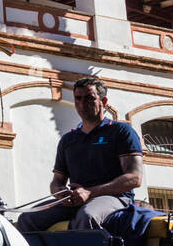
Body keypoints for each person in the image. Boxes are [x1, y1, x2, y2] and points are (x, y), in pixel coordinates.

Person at [16, 75, 143, 232]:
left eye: (89, 98)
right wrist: (60, 193)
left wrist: (90, 192)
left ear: (103, 102)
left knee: (87, 216)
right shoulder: (68, 140)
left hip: (115, 198)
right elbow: (57, 181)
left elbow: (134, 178)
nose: (82, 104)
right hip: (75, 200)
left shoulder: (121, 131)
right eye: (78, 98)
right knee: (27, 218)